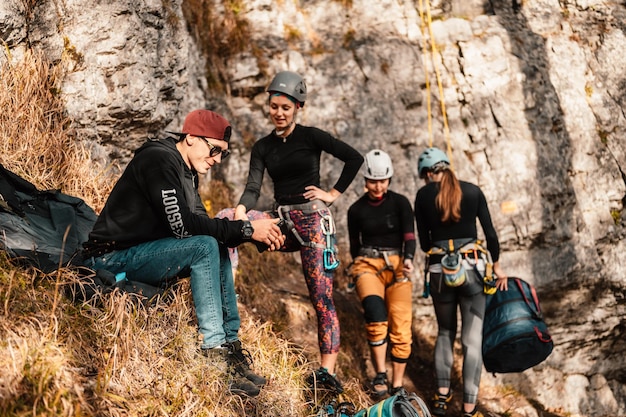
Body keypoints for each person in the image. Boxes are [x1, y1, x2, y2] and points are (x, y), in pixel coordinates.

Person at [82, 109, 286, 398]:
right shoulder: (159, 161)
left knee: (214, 243)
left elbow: (206, 226)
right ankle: (213, 358)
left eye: (223, 155)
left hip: (143, 252)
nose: (217, 160)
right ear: (191, 138)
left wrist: (253, 234)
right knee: (204, 245)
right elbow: (183, 227)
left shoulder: (188, 173)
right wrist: (247, 230)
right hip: (111, 257)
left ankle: (230, 347)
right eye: (215, 150)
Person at [220, 70, 364, 394]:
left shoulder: (312, 136)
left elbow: (354, 158)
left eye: (286, 107)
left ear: (298, 107)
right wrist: (241, 212)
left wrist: (333, 194)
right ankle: (224, 310)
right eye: (274, 106)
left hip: (314, 222)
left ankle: (326, 374)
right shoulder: (262, 147)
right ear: (268, 107)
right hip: (283, 221)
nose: (279, 112)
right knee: (226, 217)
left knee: (321, 298)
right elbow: (253, 186)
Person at [413, 147, 508, 417]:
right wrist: (498, 267)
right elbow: (490, 235)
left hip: (440, 272)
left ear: (429, 173)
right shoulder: (473, 191)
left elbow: (424, 243)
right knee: (471, 340)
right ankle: (469, 408)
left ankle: (442, 397)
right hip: (473, 270)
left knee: (445, 332)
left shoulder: (423, 195)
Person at [346, 149, 416, 397]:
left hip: (398, 267)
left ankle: (397, 384)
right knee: (376, 316)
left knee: (401, 327)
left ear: (389, 179)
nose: (377, 186)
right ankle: (380, 374)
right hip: (367, 265)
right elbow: (355, 245)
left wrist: (408, 260)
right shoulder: (356, 210)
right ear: (365, 180)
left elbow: (409, 237)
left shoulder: (401, 203)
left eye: (382, 181)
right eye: (373, 181)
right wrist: (357, 269)